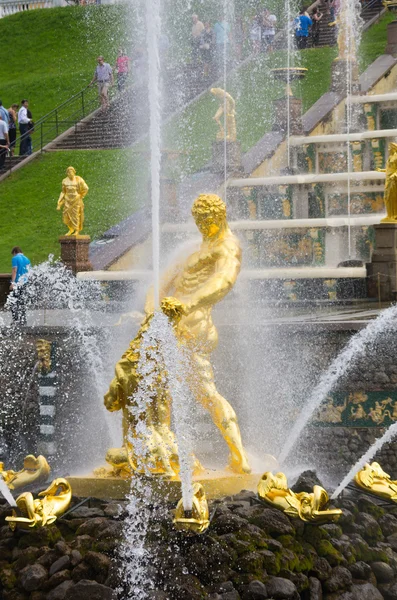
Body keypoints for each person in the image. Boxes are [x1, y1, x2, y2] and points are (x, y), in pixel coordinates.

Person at [104, 194, 251, 476]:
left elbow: (223, 282)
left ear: (220, 217)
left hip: (194, 325)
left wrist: (187, 304)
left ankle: (239, 456)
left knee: (206, 393)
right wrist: (152, 311)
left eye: (208, 220)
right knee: (157, 387)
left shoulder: (228, 248)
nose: (203, 226)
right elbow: (158, 284)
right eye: (198, 221)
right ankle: (158, 451)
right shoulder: (190, 250)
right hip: (165, 323)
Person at [57, 166, 89, 236]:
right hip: (67, 200)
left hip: (76, 200)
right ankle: (71, 229)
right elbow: (63, 192)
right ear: (67, 173)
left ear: (74, 172)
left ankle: (76, 230)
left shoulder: (78, 179)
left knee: (75, 215)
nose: (70, 174)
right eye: (68, 172)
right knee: (66, 216)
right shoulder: (64, 181)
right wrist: (59, 203)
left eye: (71, 172)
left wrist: (81, 195)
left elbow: (86, 188)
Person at [9, 246, 30, 325]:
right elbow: (29, 271)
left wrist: (12, 283)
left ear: (14, 252)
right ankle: (23, 319)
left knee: (13, 302)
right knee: (22, 301)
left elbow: (15, 270)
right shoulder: (27, 259)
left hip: (18, 283)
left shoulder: (15, 258)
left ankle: (15, 320)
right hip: (25, 283)